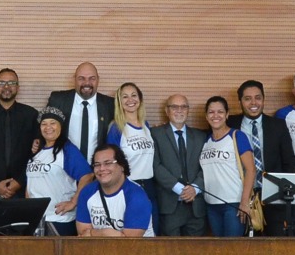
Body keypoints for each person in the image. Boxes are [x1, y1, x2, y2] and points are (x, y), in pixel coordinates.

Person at [228, 79, 295, 235]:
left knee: (275, 244)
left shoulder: (278, 125)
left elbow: (289, 161)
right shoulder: (230, 124)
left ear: (263, 99)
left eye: (258, 97)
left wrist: (285, 194)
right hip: (240, 195)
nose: (254, 102)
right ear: (240, 101)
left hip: (273, 196)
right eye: (247, 98)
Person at [27, 106, 93, 236]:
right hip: (37, 220)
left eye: (53, 123)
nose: (48, 127)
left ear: (61, 126)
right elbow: (31, 182)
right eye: (44, 124)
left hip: (59, 220)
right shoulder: (37, 151)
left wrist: (73, 202)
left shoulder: (67, 149)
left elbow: (88, 176)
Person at [0, 68, 40, 199]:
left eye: (11, 83)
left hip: (22, 189)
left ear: (18, 87)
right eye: (1, 83)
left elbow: (37, 154)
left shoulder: (31, 115)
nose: (6, 87)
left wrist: (19, 181)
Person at [199, 96, 255, 237]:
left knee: (233, 250)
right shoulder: (205, 141)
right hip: (211, 205)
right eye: (211, 112)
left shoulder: (237, 136)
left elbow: (251, 170)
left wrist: (244, 202)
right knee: (220, 251)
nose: (216, 116)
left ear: (227, 114)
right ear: (206, 116)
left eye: (220, 112)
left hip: (233, 204)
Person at [152, 94, 207, 237]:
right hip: (170, 205)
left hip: (196, 206)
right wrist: (180, 189)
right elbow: (155, 165)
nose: (179, 110)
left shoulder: (200, 136)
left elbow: (207, 166)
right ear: (166, 111)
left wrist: (195, 188)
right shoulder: (155, 134)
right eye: (174, 107)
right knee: (170, 254)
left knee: (196, 254)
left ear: (188, 110)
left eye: (184, 107)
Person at [75, 143, 154, 237]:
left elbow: (130, 241)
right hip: (97, 250)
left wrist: (95, 233)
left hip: (137, 250)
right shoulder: (87, 192)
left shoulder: (137, 196)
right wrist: (106, 233)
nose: (102, 168)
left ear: (122, 166)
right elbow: (83, 234)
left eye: (108, 163)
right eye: (97, 165)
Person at [46, 62, 113, 157]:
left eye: (92, 78)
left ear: (98, 80)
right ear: (74, 79)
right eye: (81, 78)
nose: (87, 83)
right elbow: (43, 125)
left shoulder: (110, 104)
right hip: (64, 165)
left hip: (97, 167)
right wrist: (37, 140)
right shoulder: (58, 100)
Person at [106, 82, 156, 207]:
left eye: (134, 95)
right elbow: (111, 162)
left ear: (140, 99)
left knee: (152, 225)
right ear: (119, 101)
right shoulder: (116, 128)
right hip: (128, 185)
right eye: (125, 96)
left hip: (150, 185)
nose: (130, 100)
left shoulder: (146, 125)